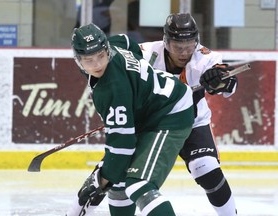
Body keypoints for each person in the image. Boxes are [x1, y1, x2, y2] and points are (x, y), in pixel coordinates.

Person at [68, 23, 194, 216]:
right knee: (118, 184)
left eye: (101, 56)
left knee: (139, 184)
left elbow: (122, 148)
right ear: (78, 61)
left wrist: (100, 181)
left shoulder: (111, 88)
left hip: (170, 113)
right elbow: (127, 42)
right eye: (89, 60)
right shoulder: (114, 45)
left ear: (107, 50)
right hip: (150, 113)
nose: (97, 64)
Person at [139, 13, 238, 215]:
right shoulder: (146, 53)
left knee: (206, 168)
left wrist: (219, 80)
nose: (185, 52)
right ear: (166, 42)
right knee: (131, 177)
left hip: (192, 123)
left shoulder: (205, 58)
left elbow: (228, 82)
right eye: (178, 46)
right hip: (153, 125)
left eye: (190, 44)